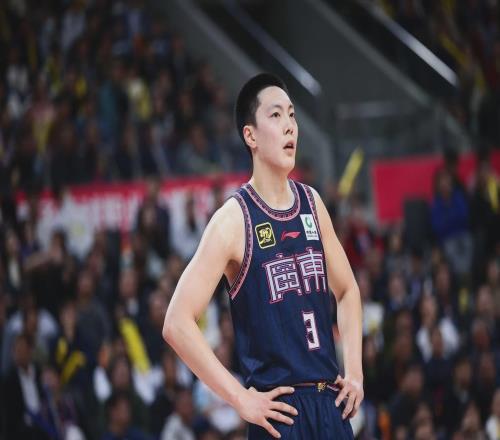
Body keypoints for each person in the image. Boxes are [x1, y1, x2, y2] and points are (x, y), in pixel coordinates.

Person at [163, 73, 363, 439]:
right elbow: (176, 322)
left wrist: (355, 372)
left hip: (330, 408)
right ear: (250, 136)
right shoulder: (232, 220)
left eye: (292, 115)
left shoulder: (313, 204)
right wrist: (240, 398)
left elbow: (348, 291)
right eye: (275, 115)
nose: (289, 126)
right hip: (279, 415)